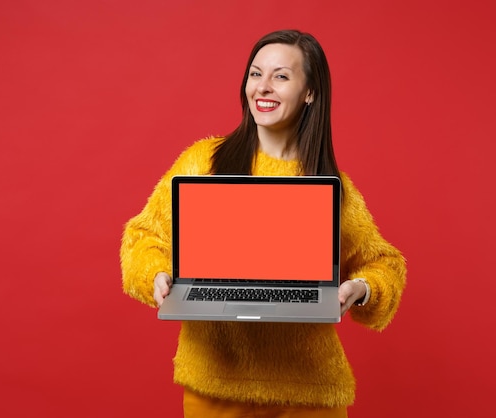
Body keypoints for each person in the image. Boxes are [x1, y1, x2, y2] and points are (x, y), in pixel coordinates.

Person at [120, 29, 406, 417]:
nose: (263, 87)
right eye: (256, 74)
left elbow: (384, 263)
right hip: (214, 387)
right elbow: (142, 237)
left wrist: (363, 287)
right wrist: (154, 273)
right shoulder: (204, 162)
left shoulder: (333, 186)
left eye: (281, 76)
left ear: (310, 92)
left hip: (309, 395)